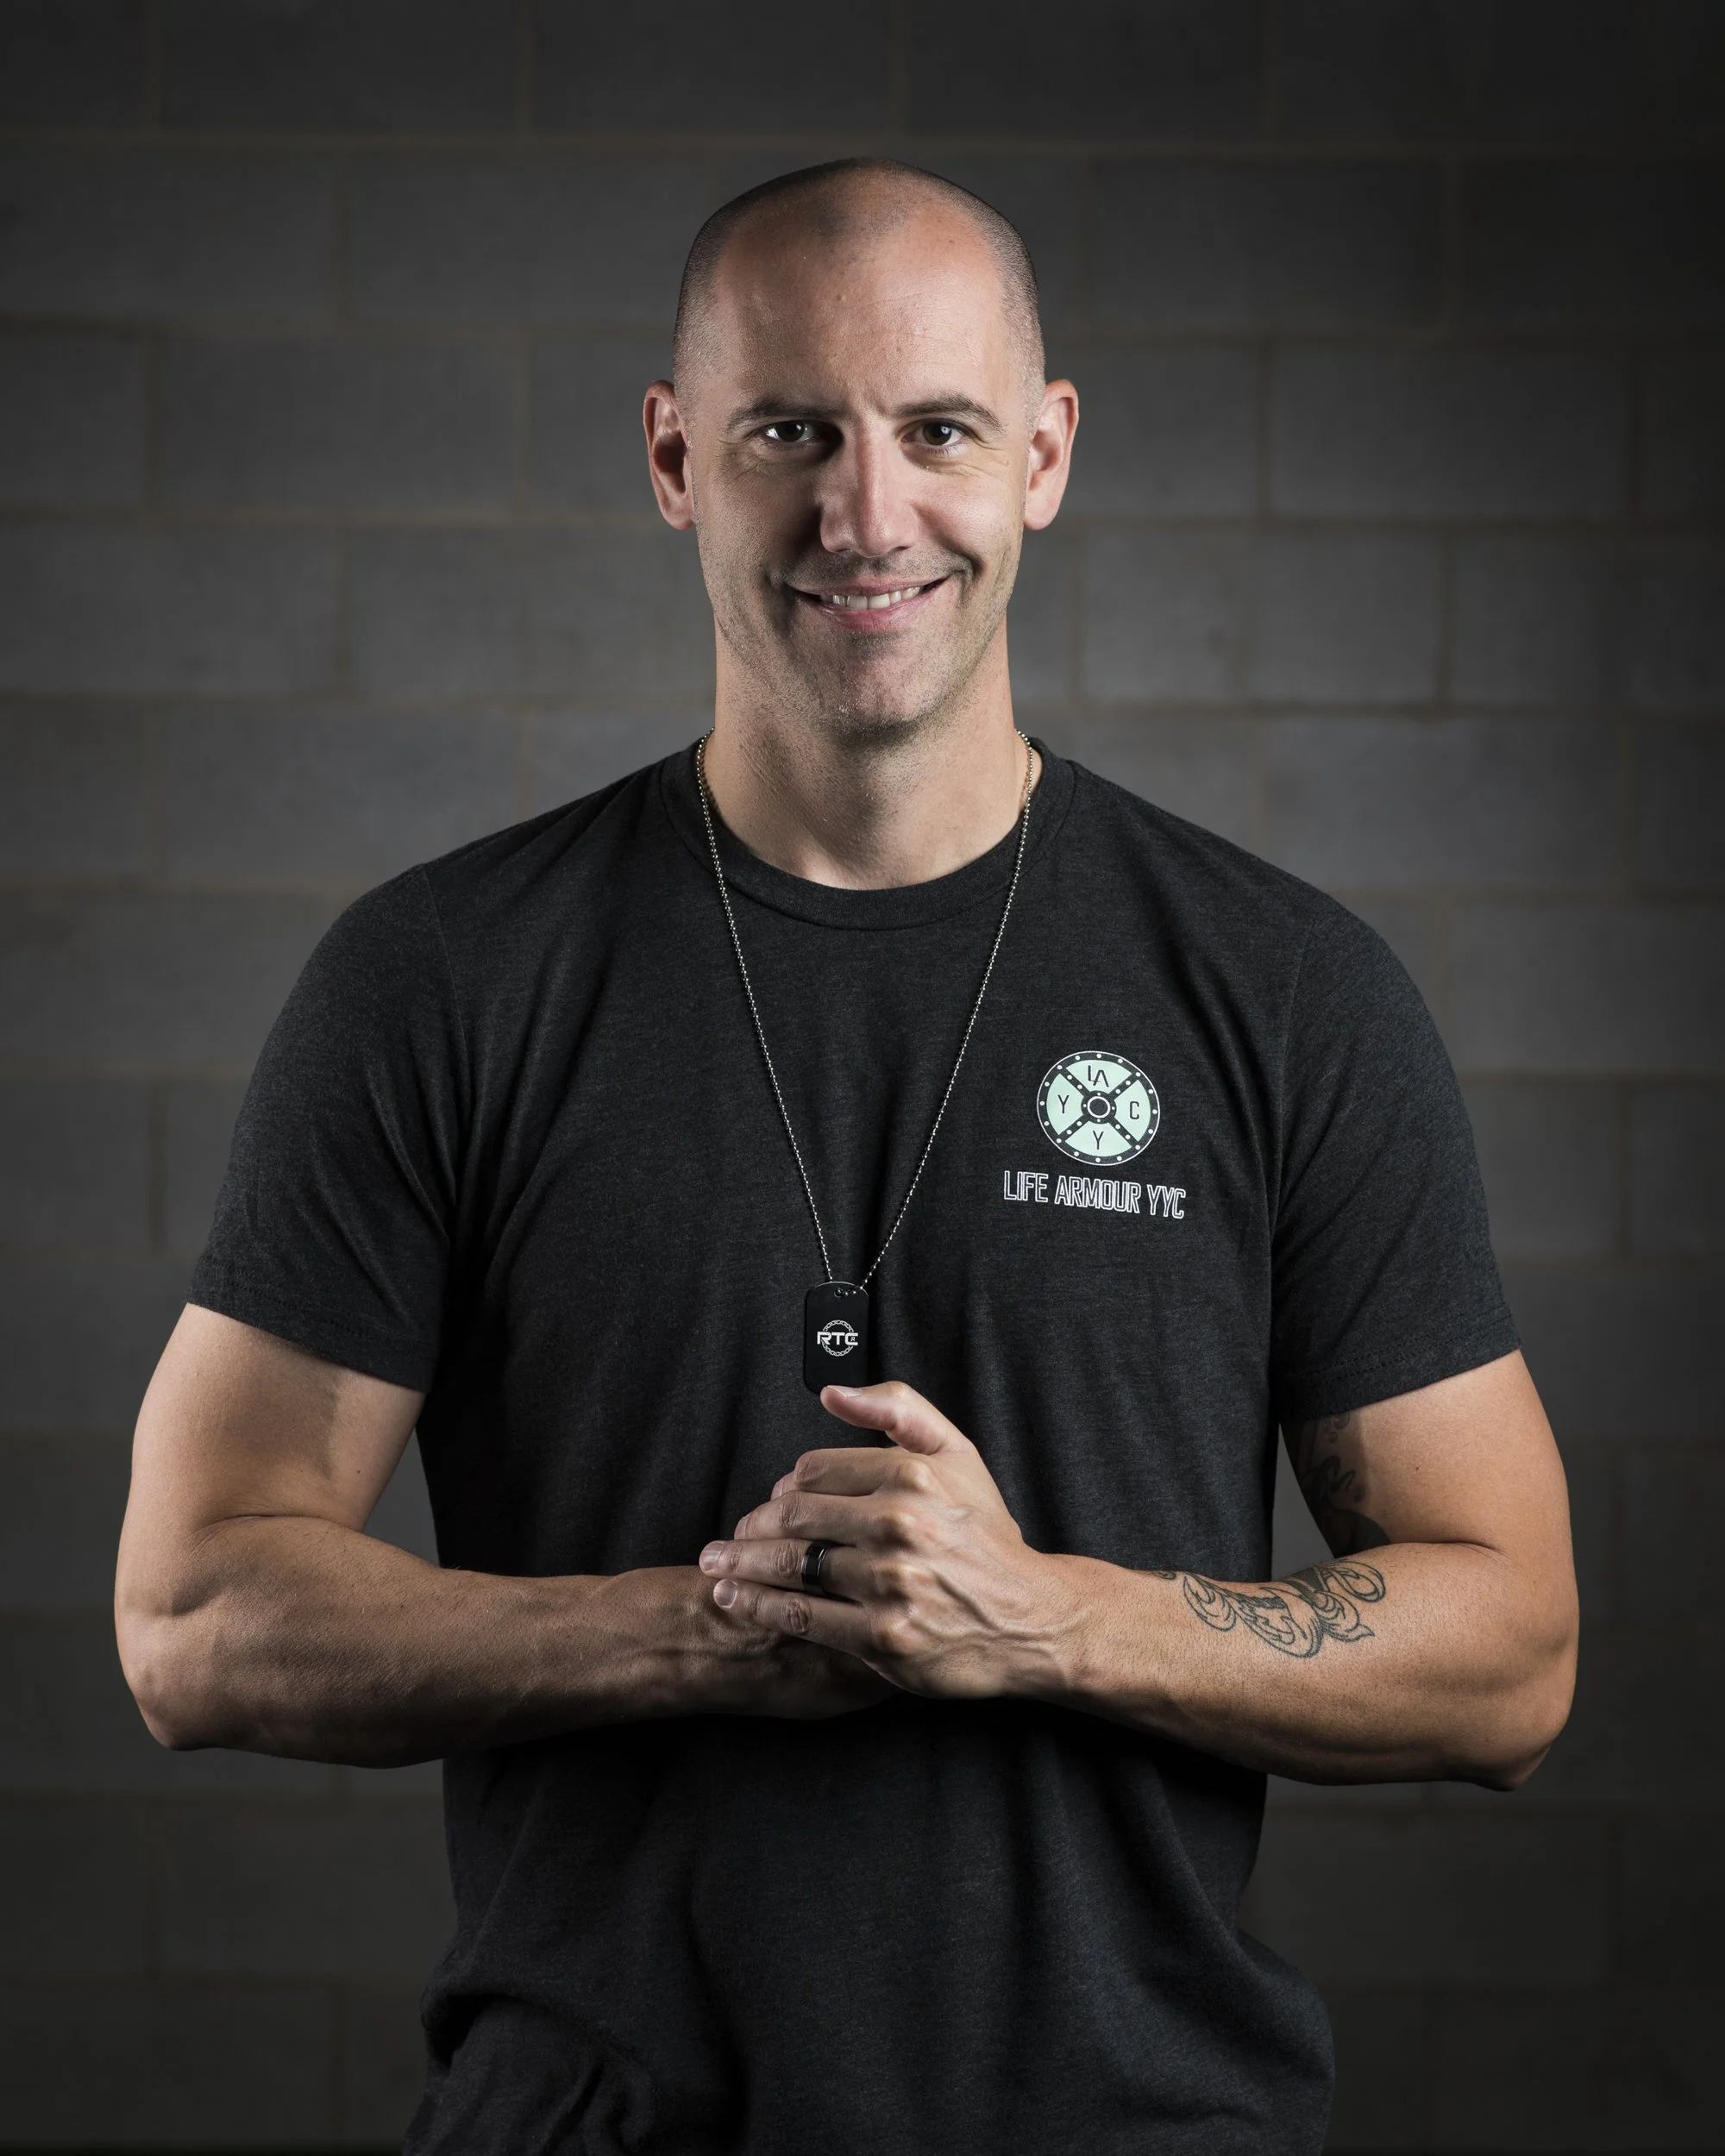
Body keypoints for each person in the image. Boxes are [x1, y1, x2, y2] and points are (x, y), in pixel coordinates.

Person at [116, 160, 1578, 2156]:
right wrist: (682, 1626)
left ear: (1045, 455)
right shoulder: (444, 977)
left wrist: (1039, 1612)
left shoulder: (1283, 989)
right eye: (788, 431)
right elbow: (188, 1615)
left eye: (940, 431)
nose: (864, 514)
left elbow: (1513, 1651)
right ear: (670, 456)